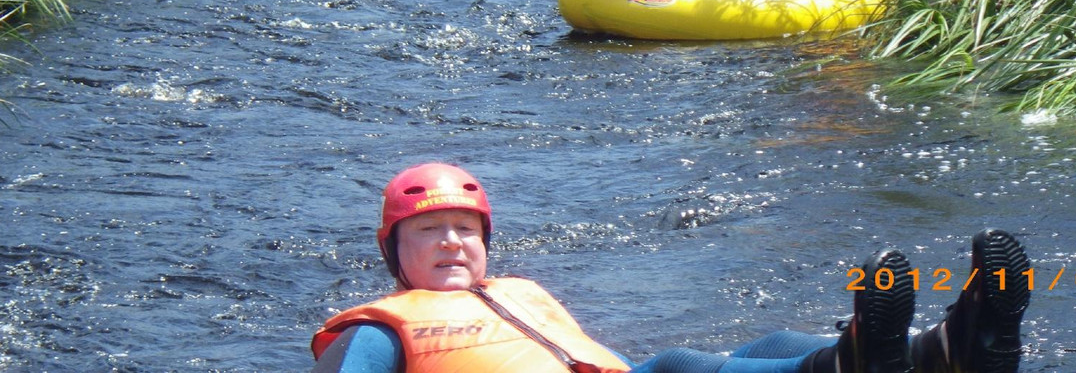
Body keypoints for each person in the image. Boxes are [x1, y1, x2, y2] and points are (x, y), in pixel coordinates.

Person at [310, 162, 1031, 373]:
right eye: (428, 232)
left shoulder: (516, 292)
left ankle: (949, 345)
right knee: (683, 368)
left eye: (464, 230)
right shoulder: (380, 330)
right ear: (394, 255)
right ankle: (869, 361)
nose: (451, 243)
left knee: (771, 342)